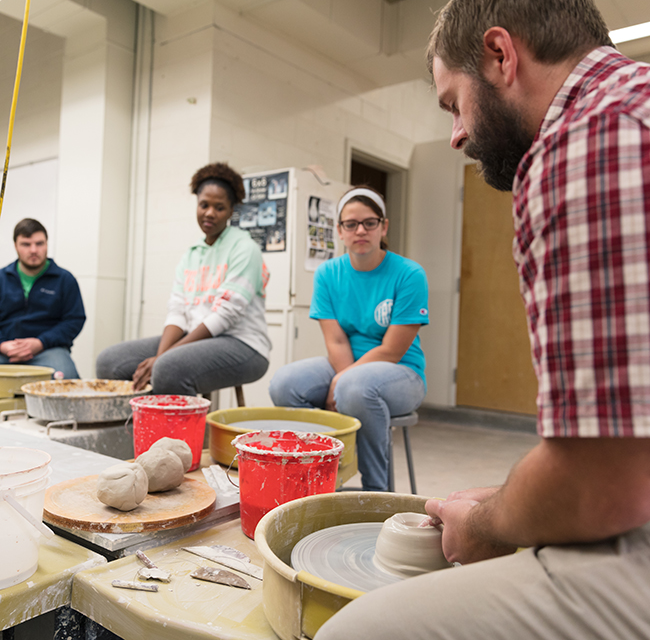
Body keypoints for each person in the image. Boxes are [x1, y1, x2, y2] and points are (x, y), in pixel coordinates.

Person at [316, 0, 650, 638]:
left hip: (396, 374)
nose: (457, 133)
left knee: (353, 632)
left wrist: (494, 521)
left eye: (453, 103)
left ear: (500, 55)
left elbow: (607, 480)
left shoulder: (589, 138)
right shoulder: (633, 102)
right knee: (299, 382)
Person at [269, 186, 429, 492]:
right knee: (284, 383)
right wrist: (341, 378)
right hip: (344, 365)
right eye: (351, 224)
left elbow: (392, 350)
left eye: (370, 223)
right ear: (340, 231)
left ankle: (375, 493)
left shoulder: (409, 274)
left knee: (355, 388)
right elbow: (337, 342)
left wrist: (342, 380)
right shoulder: (328, 273)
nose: (361, 231)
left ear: (383, 227)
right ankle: (320, 475)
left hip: (401, 373)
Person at [96, 162, 271, 395]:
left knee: (170, 368)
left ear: (231, 211)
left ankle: (176, 432)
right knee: (110, 361)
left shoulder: (244, 248)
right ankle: (139, 428)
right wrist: (160, 356)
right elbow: (177, 311)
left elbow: (225, 316)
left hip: (243, 343)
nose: (209, 213)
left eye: (219, 208)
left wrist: (162, 359)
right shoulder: (192, 254)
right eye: (204, 205)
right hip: (196, 338)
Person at [0, 218, 85, 378]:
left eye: (39, 243)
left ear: (46, 244)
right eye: (26, 244)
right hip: (5, 349)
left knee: (67, 381)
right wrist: (3, 344)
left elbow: (74, 320)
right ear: (15, 246)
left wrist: (40, 343)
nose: (33, 250)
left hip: (48, 349)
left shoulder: (64, 279)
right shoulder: (1, 278)